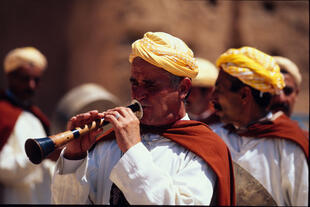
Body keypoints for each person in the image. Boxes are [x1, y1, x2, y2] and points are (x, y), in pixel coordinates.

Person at [51, 32, 235, 205]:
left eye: (150, 85)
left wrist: (132, 150)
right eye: (134, 83)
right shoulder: (108, 144)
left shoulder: (204, 148)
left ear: (183, 89)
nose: (139, 94)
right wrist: (74, 158)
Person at [211, 46, 308, 206]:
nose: (213, 96)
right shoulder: (215, 137)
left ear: (244, 95)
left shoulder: (288, 145)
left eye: (220, 90)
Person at [0, 47, 56, 204]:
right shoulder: (2, 114)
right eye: (25, 79)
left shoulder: (35, 115)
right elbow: (3, 168)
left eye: (36, 80)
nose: (31, 86)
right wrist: (40, 154)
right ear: (11, 77)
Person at [186, 57, 220, 125]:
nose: (185, 96)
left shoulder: (224, 125)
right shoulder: (175, 122)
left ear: (209, 92)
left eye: (190, 91)